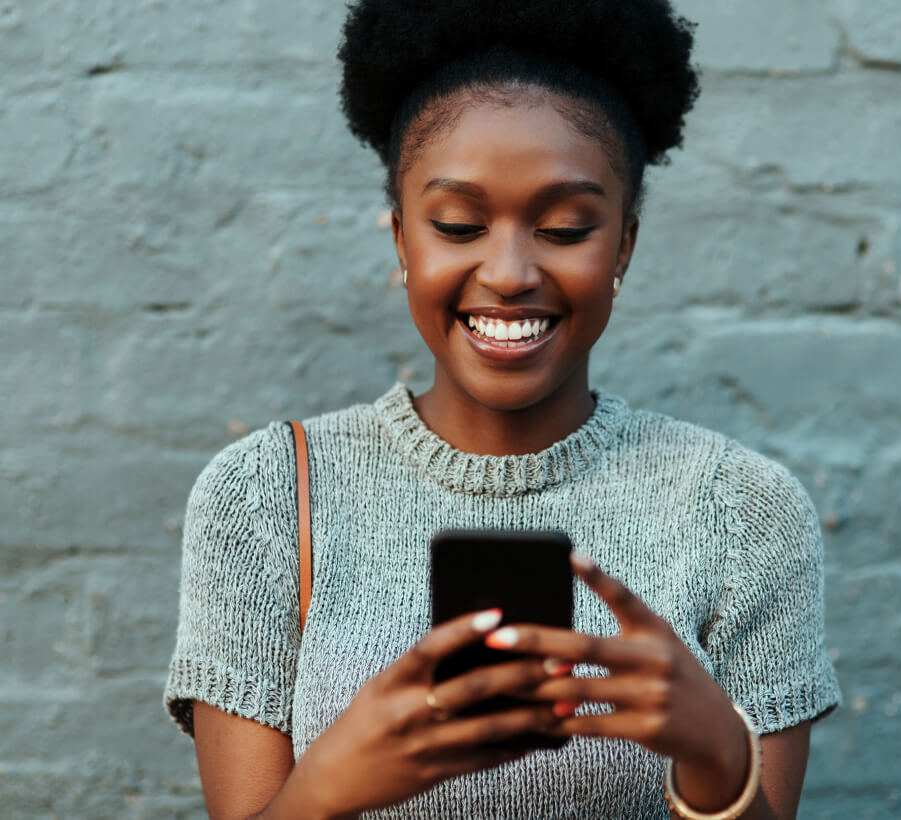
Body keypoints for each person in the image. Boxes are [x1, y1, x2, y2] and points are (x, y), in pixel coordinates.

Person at [163, 1, 841, 817]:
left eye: (564, 228)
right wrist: (332, 783)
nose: (510, 270)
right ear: (403, 240)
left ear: (623, 244)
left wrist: (716, 754)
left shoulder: (744, 509)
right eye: (458, 224)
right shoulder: (266, 495)